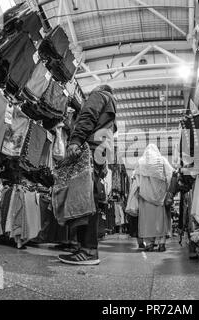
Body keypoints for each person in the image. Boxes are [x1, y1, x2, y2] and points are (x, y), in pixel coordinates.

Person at [58, 84, 117, 265]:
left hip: (88, 152)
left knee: (83, 200)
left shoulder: (99, 95)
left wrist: (75, 140)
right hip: (98, 154)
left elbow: (88, 115)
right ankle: (84, 248)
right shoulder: (112, 112)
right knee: (87, 200)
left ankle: (88, 251)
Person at [134, 144, 174, 252]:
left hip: (145, 198)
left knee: (147, 222)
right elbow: (170, 175)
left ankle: (149, 244)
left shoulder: (141, 162)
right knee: (161, 221)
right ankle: (161, 244)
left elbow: (136, 181)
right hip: (160, 198)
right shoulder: (162, 161)